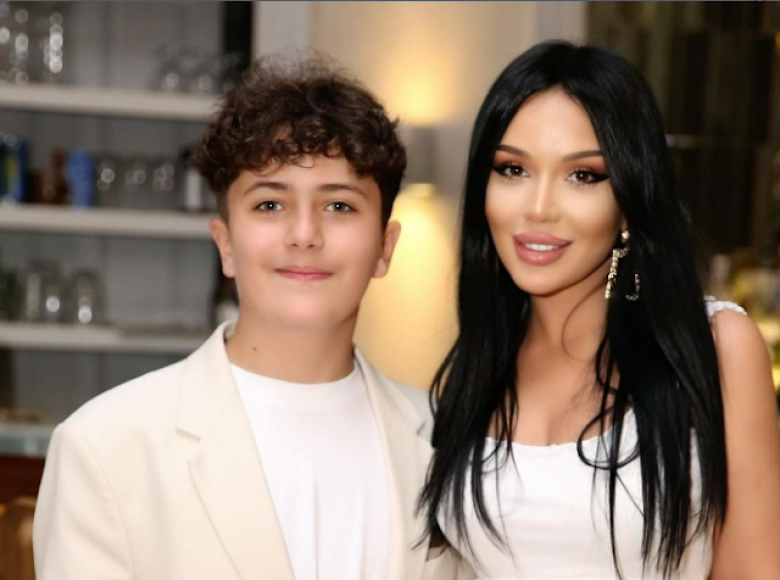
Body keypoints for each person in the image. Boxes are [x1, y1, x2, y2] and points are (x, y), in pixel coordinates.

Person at [33, 55, 464, 580]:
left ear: (384, 247)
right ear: (226, 244)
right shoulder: (105, 446)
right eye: (269, 205)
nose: (304, 235)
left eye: (339, 206)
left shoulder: (451, 442)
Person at [419, 41, 780, 580]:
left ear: (630, 199)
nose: (538, 208)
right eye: (512, 169)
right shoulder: (478, 367)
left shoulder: (714, 347)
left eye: (583, 175)